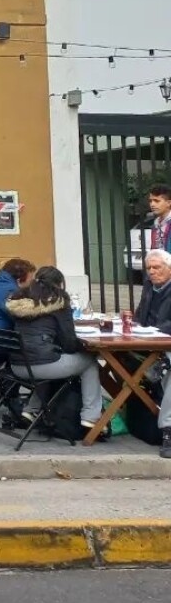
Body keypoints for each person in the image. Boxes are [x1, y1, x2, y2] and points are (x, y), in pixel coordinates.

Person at [5, 265, 103, 435]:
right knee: (89, 363)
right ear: (59, 284)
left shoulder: (20, 299)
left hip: (17, 366)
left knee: (50, 358)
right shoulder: (58, 301)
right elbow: (69, 342)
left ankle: (31, 410)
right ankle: (91, 417)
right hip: (41, 366)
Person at [136, 249, 171, 457]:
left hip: (165, 344)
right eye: (149, 268)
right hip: (148, 343)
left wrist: (155, 330)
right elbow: (140, 316)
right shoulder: (149, 286)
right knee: (121, 358)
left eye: (156, 267)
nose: (151, 272)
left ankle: (168, 430)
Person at [150, 186, 171, 253]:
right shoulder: (156, 224)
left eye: (157, 201)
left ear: (168, 203)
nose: (152, 204)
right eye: (150, 201)